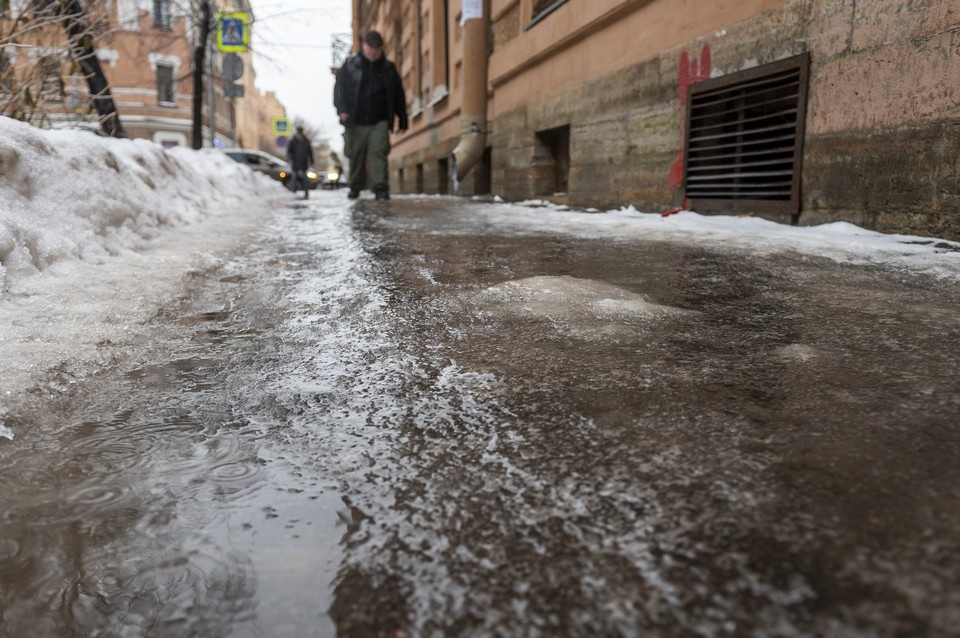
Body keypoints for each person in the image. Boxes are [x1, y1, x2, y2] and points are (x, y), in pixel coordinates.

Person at [334, 30, 408, 200]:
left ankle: (380, 186)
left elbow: (398, 93)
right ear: (364, 45)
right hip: (355, 119)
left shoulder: (388, 69)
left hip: (379, 120)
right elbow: (339, 89)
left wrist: (402, 117)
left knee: (379, 152)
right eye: (370, 46)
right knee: (356, 155)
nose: (373, 51)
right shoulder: (351, 65)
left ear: (381, 48)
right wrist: (342, 109)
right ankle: (355, 186)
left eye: (376, 47)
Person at [286, 126, 314, 199]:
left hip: (303, 163)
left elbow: (310, 152)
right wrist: (290, 158)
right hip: (295, 163)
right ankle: (293, 192)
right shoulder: (293, 141)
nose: (299, 134)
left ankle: (306, 192)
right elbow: (289, 151)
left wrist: (311, 160)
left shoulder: (306, 141)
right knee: (294, 178)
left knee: (305, 178)